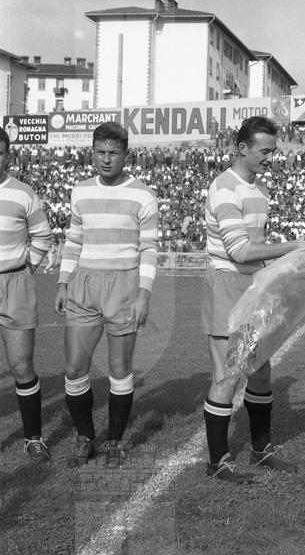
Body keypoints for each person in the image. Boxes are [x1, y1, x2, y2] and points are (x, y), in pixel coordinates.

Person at [202, 116, 305, 483]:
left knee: (259, 372)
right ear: (242, 148)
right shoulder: (225, 188)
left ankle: (261, 450)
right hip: (226, 283)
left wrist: (293, 262)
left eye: (273, 151)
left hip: (254, 285)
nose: (271, 158)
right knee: (226, 375)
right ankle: (218, 461)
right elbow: (239, 251)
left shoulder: (260, 190)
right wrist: (294, 246)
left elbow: (257, 249)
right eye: (265, 151)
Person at [55, 122, 159, 466]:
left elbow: (149, 249)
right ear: (93, 152)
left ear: (126, 155)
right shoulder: (81, 191)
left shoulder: (143, 195)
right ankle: (85, 437)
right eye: (100, 152)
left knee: (119, 368)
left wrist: (143, 294)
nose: (106, 159)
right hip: (84, 285)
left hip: (124, 287)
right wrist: (63, 282)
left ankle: (114, 441)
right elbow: (74, 240)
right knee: (74, 368)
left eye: (113, 153)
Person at [0, 128, 53, 462]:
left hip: (14, 284)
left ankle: (34, 438)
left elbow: (43, 235)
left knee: (21, 365)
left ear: (8, 155)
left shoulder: (23, 193)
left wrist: (26, 268)